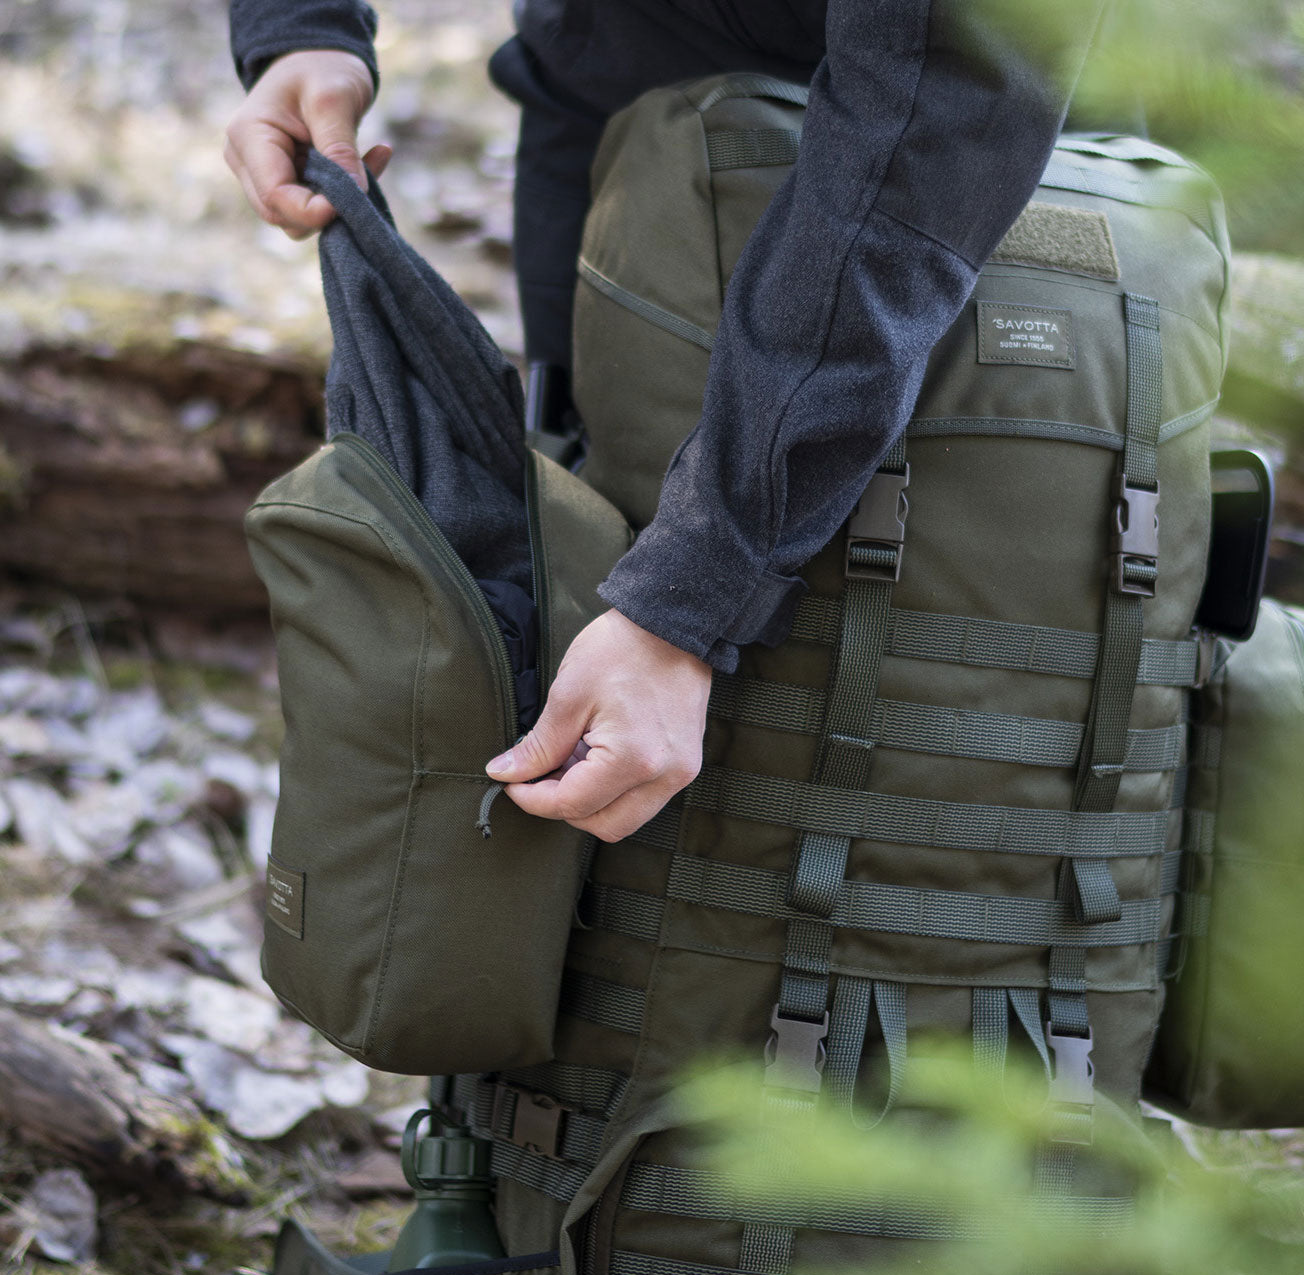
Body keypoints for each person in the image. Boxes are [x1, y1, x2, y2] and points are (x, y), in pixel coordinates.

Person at [224, 1, 1110, 847]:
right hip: (614, 106)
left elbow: (940, 94)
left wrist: (692, 590)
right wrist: (303, 30)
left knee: (829, 734)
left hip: (947, 175)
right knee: (587, 674)